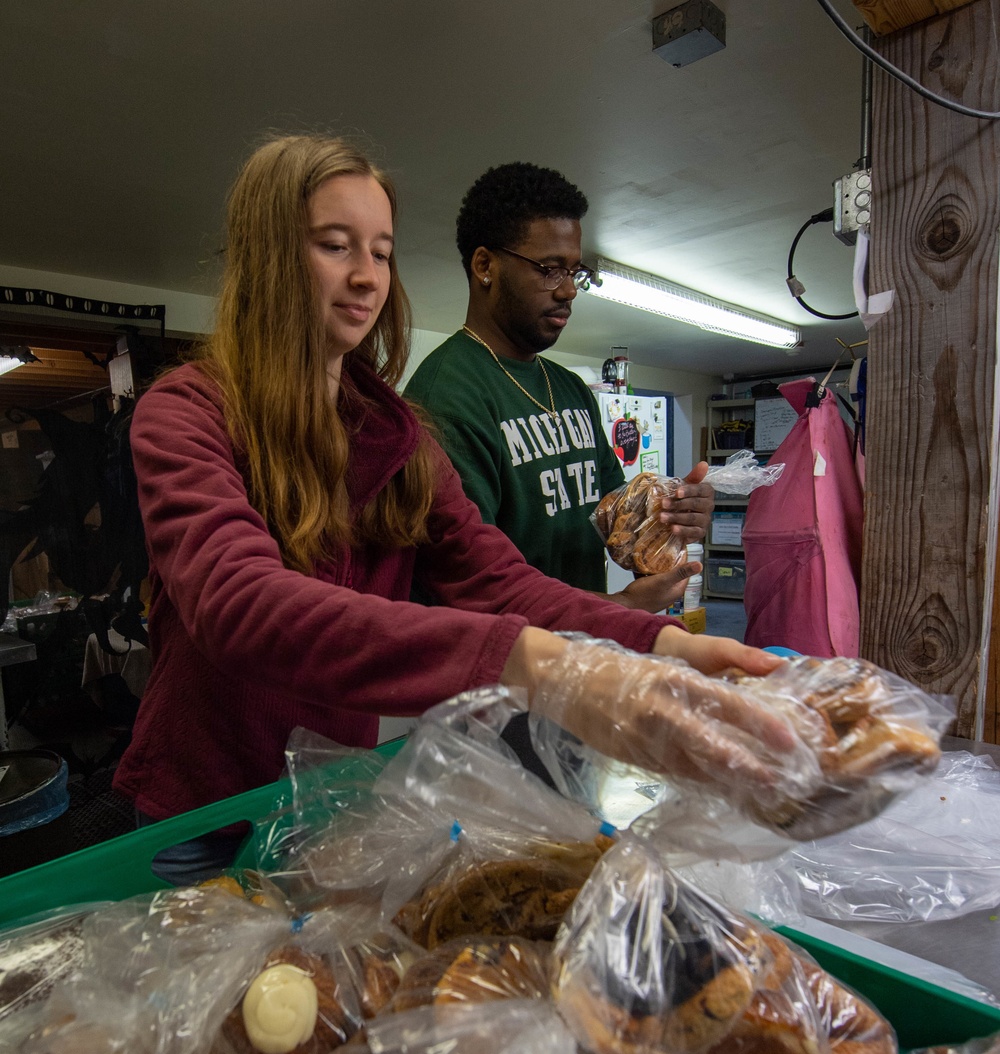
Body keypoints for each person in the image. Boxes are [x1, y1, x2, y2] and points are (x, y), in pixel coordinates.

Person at [113, 135, 783, 882]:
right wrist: (534, 661)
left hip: (332, 794)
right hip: (206, 806)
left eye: (382, 251)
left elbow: (500, 581)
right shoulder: (185, 413)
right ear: (271, 256)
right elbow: (240, 603)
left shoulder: (398, 439)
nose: (367, 277)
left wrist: (658, 646)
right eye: (336, 246)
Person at [406, 162, 714, 610]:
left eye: (574, 271)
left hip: (578, 656)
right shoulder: (445, 396)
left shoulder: (569, 388)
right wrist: (622, 608)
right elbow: (468, 589)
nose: (568, 290)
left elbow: (616, 520)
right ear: (485, 265)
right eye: (549, 269)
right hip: (501, 668)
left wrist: (669, 515)